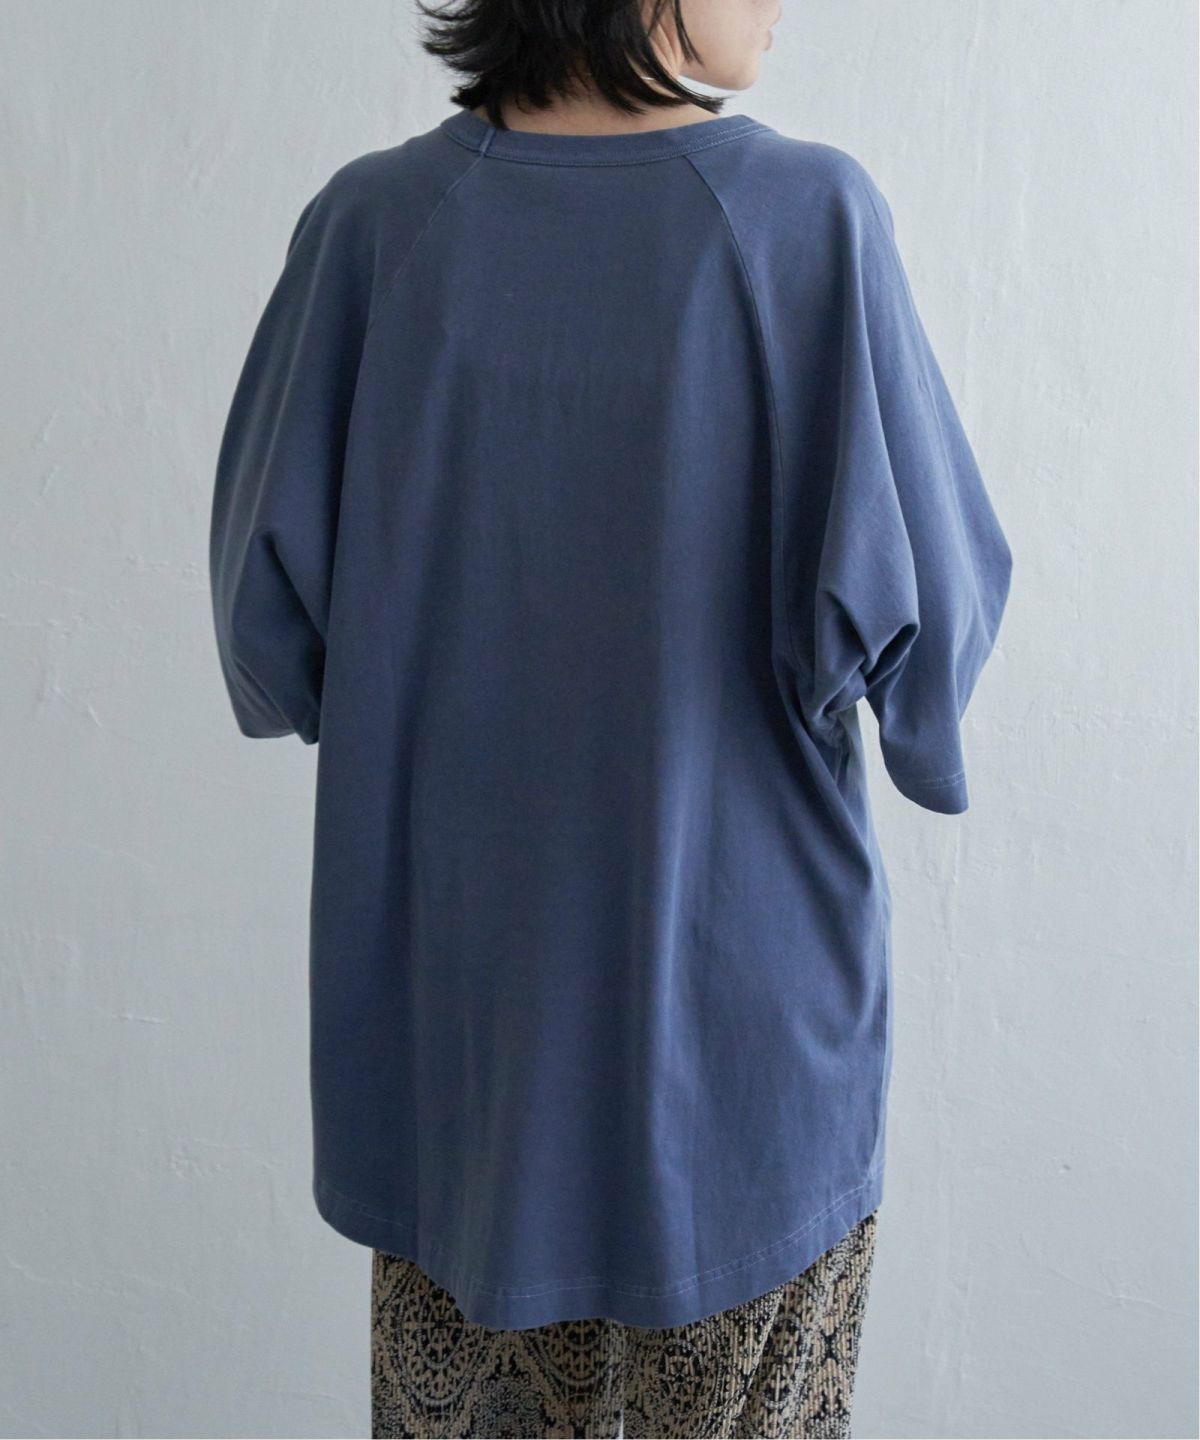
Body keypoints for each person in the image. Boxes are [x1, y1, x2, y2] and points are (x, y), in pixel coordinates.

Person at [207, 0, 1014, 1435]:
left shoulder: (373, 231)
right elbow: (931, 633)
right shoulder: (806, 221)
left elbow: (270, 639)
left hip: (464, 1074)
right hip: (741, 1086)